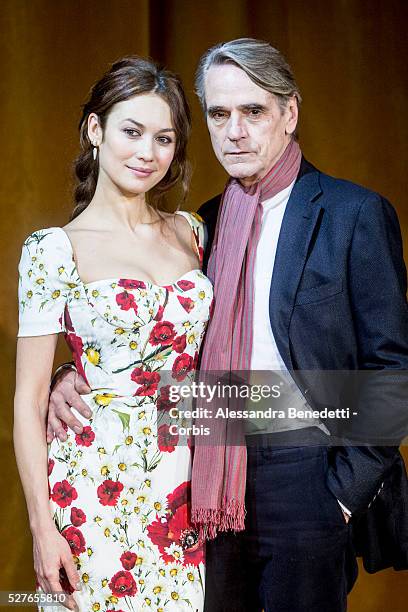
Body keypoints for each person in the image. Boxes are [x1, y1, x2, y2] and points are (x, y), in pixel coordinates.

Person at [45, 39, 408, 612]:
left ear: (289, 114)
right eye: (219, 114)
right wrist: (71, 373)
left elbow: (391, 368)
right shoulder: (203, 226)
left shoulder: (352, 214)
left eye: (253, 111)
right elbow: (152, 336)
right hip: (202, 471)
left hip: (309, 474)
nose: (235, 130)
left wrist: (342, 493)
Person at [14, 56, 212, 612]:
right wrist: (42, 528)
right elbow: (27, 400)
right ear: (95, 130)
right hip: (90, 487)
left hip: (186, 489)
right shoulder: (52, 250)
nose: (147, 153)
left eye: (164, 138)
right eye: (132, 131)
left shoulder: (193, 232)